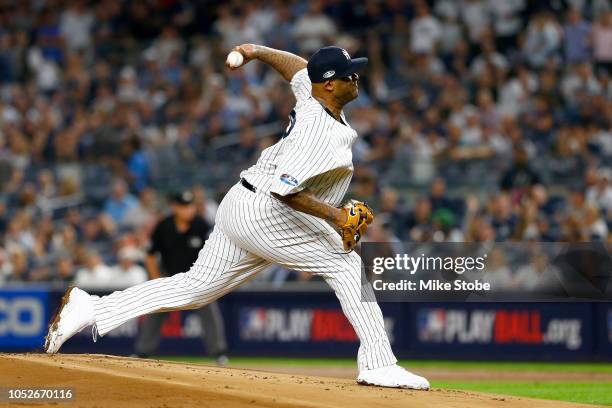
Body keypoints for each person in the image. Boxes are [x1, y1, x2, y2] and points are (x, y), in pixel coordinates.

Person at [44, 44, 430, 390]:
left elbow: (298, 70)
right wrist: (337, 218)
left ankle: (92, 308)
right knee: (345, 266)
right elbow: (287, 189)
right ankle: (379, 363)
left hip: (242, 204)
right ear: (329, 84)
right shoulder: (319, 130)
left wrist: (255, 50)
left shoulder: (313, 97)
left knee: (195, 289)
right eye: (348, 74)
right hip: (267, 209)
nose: (356, 77)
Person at [133, 191, 229, 364]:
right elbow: (150, 254)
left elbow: (216, 251)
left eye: (190, 206)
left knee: (210, 312)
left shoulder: (201, 225)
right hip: (170, 278)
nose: (188, 210)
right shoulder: (164, 226)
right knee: (155, 311)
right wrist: (155, 278)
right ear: (174, 207)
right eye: (184, 206)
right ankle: (142, 352)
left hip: (197, 279)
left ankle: (219, 353)